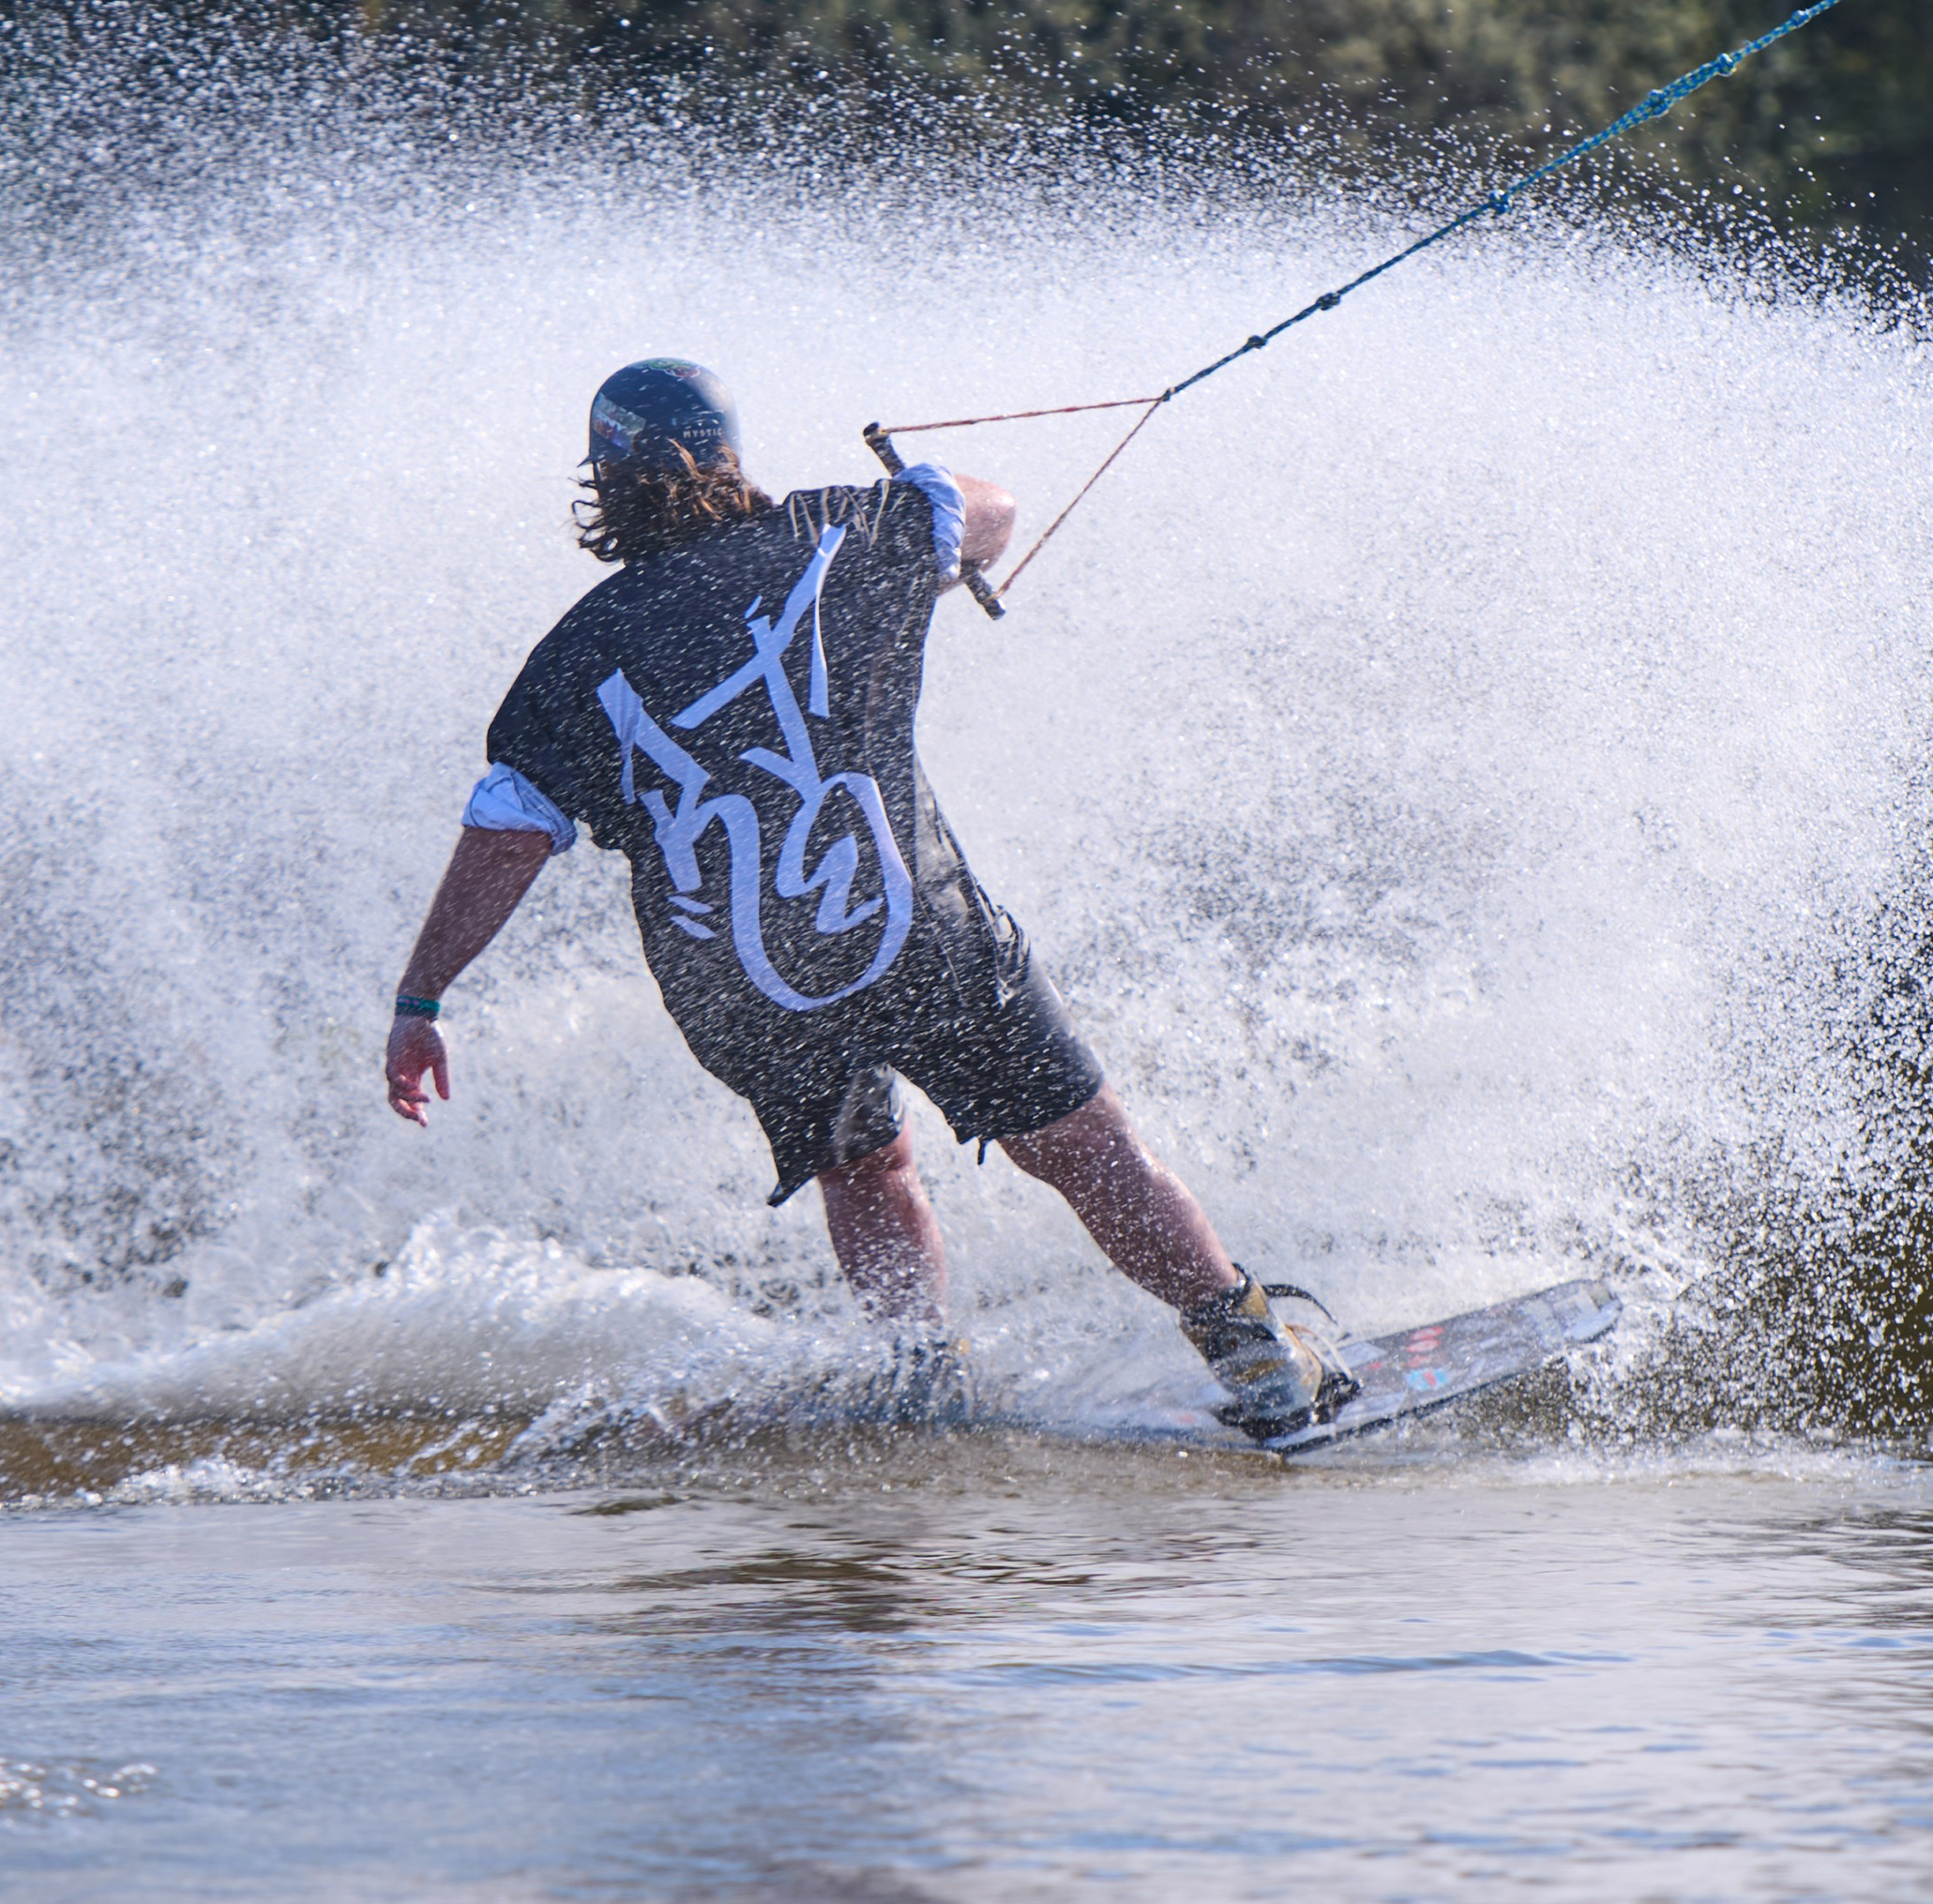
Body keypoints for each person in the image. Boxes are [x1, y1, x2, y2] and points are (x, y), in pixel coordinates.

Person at [383, 358, 1349, 1435]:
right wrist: (936, 556)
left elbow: (502, 843)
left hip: (740, 986)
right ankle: (1255, 1352)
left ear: (601, 482)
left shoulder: (568, 658)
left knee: (862, 1159)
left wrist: (420, 1000)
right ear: (729, 454)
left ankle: (916, 1372)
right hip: (912, 929)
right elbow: (992, 509)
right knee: (1080, 1144)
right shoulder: (845, 532)